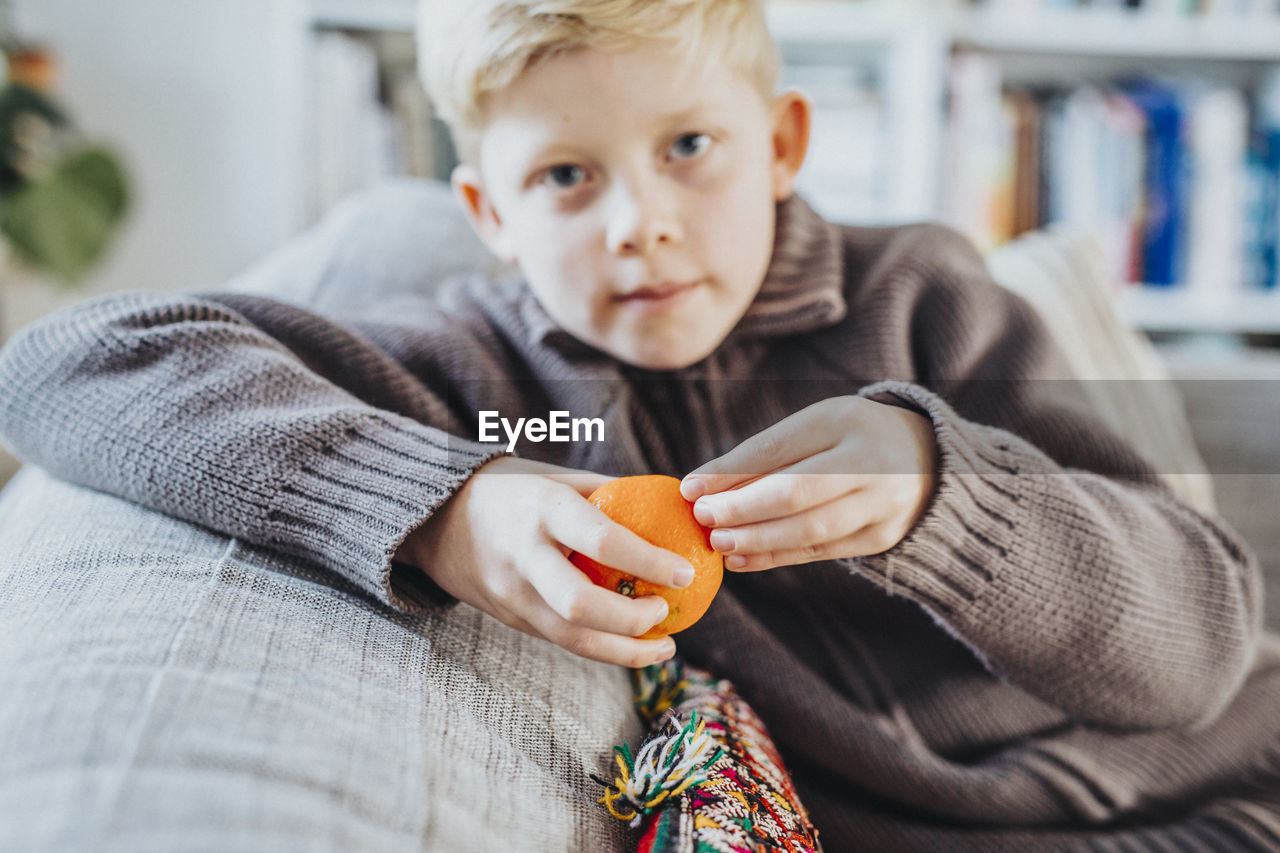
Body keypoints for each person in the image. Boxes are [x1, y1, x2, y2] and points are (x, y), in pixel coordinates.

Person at [0, 0, 1277, 849]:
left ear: (779, 143)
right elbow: (69, 359)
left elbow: (1201, 648)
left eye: (688, 146)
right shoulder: (495, 389)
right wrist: (448, 502)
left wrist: (950, 493)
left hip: (1221, 787)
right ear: (487, 210)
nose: (636, 223)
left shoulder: (923, 303)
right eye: (565, 175)